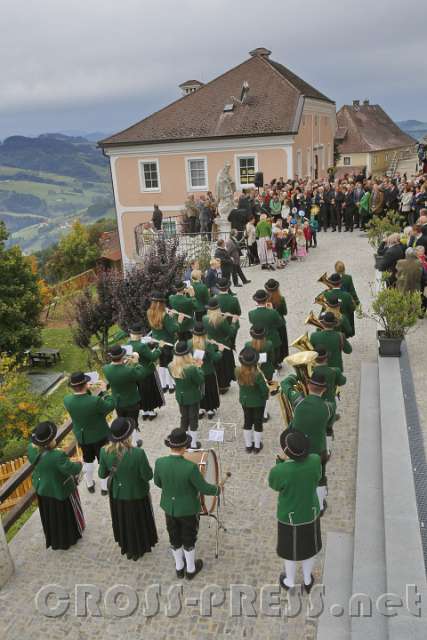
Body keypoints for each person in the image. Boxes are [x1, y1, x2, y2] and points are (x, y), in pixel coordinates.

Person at [154, 428, 222, 579]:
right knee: (188, 537)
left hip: (169, 507)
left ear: (170, 446)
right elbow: (203, 488)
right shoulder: (190, 468)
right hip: (188, 509)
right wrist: (217, 489)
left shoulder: (159, 462)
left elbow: (158, 483)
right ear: (184, 447)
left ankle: (179, 568)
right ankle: (190, 569)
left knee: (174, 536)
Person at [268, 429, 322, 592]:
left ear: (287, 451)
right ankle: (307, 580)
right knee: (309, 548)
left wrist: (280, 463)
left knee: (289, 550)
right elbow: (318, 477)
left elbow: (274, 485)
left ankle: (290, 581)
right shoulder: (315, 460)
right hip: (311, 511)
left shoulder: (280, 470)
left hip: (289, 516)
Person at [98, 417, 158, 561]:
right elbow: (148, 475)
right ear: (128, 436)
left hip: (118, 494)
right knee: (138, 521)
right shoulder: (138, 454)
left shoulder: (104, 451)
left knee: (123, 520)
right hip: (137, 493)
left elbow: (102, 474)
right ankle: (140, 546)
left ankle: (127, 546)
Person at [281, 371, 334, 514]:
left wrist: (296, 376)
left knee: (299, 472)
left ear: (309, 385)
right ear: (324, 389)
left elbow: (284, 384)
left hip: (299, 447)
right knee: (320, 476)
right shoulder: (328, 407)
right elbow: (329, 424)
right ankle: (320, 506)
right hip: (319, 450)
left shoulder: (298, 400)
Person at [28, 421, 84, 550]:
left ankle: (55, 539)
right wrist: (79, 464)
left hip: (42, 487)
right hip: (59, 488)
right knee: (64, 515)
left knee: (51, 516)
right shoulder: (57, 455)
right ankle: (68, 539)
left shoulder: (31, 449)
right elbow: (71, 469)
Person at [63, 372, 115, 494]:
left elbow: (82, 402)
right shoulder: (95, 401)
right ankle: (104, 487)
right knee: (103, 460)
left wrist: (86, 389)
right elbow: (110, 405)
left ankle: (89, 483)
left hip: (82, 437)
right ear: (85, 384)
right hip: (100, 434)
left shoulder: (67, 401)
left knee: (87, 460)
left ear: (72, 386)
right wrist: (104, 391)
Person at [103, 345, 151, 446]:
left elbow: (117, 369)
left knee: (122, 422)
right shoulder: (128, 371)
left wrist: (124, 363)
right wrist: (136, 362)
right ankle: (134, 442)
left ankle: (124, 441)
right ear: (122, 356)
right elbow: (141, 374)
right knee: (133, 422)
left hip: (118, 401)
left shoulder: (106, 369)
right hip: (131, 400)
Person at [169, 341, 205, 450]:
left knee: (184, 418)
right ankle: (193, 444)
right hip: (193, 396)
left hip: (180, 396)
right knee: (193, 419)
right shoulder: (192, 369)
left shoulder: (170, 366)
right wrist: (199, 367)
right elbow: (200, 380)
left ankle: (183, 441)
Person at [127, 323, 164, 421]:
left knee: (141, 391)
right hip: (147, 371)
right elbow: (152, 357)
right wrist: (159, 348)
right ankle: (151, 411)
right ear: (139, 334)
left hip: (136, 371)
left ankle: (144, 411)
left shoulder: (128, 345)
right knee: (150, 391)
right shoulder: (141, 346)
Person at [236, 347, 269, 453]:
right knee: (258, 422)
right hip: (258, 402)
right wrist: (266, 396)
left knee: (247, 421)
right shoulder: (257, 375)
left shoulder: (237, 370)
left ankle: (248, 445)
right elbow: (264, 390)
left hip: (245, 401)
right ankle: (257, 446)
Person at [313, 346, 346, 449]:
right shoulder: (334, 371)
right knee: (328, 428)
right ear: (327, 358)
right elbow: (342, 381)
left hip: (315, 402)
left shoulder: (311, 370)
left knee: (317, 426)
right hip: (329, 403)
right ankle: (327, 451)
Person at [203, 297, 238, 394]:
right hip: (224, 345)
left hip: (212, 344)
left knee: (217, 366)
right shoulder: (221, 320)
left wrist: (225, 318)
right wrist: (233, 323)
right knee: (225, 366)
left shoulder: (205, 318)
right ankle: (224, 385)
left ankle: (218, 384)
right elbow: (230, 332)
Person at [189, 322, 223, 419]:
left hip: (195, 371)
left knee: (198, 389)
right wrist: (220, 350)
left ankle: (200, 409)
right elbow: (215, 358)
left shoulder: (189, 343)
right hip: (208, 371)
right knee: (209, 389)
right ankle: (210, 409)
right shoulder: (207, 344)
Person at [147, 291, 179, 393]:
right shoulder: (164, 315)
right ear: (162, 303)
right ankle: (171, 385)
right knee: (169, 362)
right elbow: (173, 329)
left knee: (161, 363)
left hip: (157, 341)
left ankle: (163, 384)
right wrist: (173, 317)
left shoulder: (149, 312)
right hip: (167, 342)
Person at [249, 289, 285, 370]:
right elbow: (280, 323)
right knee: (275, 353)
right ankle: (275, 364)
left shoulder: (251, 314)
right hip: (273, 337)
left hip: (259, 338)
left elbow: (252, 322)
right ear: (266, 300)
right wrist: (272, 310)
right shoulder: (273, 312)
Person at [264, 279, 289, 366]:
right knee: (281, 342)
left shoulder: (265, 299)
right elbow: (285, 312)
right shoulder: (281, 299)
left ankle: (272, 360)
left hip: (270, 324)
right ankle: (279, 360)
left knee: (272, 342)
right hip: (280, 324)